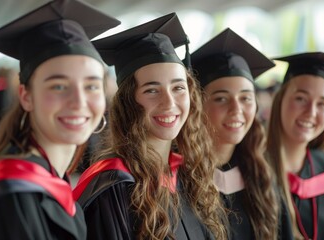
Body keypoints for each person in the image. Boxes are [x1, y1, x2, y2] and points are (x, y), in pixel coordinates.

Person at [0, 0, 120, 239]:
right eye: (59, 86)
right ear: (26, 96)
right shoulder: (10, 199)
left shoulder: (53, 180)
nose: (79, 101)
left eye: (91, 85)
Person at [73, 13, 227, 240]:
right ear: (128, 101)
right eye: (152, 90)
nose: (169, 103)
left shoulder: (190, 175)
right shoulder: (113, 188)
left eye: (178, 88)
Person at [189, 28, 294, 240]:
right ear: (196, 106)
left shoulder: (261, 176)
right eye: (221, 98)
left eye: (246, 98)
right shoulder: (181, 181)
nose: (237, 109)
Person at [267, 52, 324, 240]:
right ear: (280, 99)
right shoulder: (252, 168)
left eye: (323, 104)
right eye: (301, 98)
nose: (311, 112)